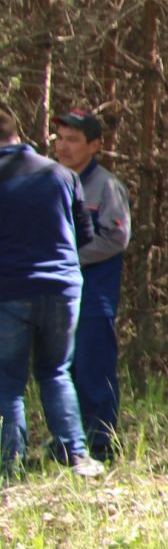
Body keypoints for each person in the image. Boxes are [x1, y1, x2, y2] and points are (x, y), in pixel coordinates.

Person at [0, 105, 106, 480]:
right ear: (18, 133)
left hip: (10, 289)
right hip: (63, 287)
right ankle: (76, 456)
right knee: (56, 372)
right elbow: (84, 234)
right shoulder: (61, 174)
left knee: (8, 382)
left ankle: (9, 466)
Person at [50, 108, 131, 462]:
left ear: (95, 145)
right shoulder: (50, 181)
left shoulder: (106, 186)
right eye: (60, 138)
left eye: (73, 140)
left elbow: (116, 238)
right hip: (54, 296)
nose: (63, 147)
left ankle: (101, 444)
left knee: (93, 368)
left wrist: (65, 256)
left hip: (94, 295)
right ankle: (66, 446)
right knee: (59, 371)